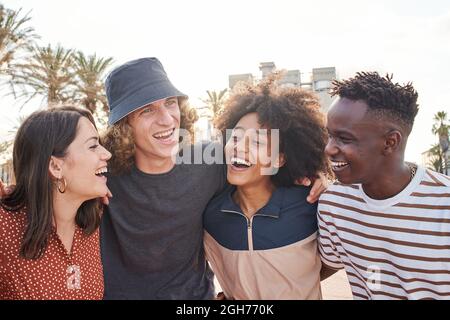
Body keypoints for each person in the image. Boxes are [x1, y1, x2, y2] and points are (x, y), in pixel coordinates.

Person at [99, 57, 325, 299]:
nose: (166, 119)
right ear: (124, 125)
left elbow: (264, 165)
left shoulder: (211, 161)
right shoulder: (101, 173)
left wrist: (312, 174)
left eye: (170, 103)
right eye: (147, 110)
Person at [318, 72, 450, 299]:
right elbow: (310, 271)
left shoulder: (443, 206)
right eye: (329, 136)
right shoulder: (334, 203)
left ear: (390, 142)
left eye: (344, 138)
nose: (329, 148)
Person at [203, 79, 330, 299]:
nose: (239, 146)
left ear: (279, 159)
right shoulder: (211, 217)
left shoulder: (310, 205)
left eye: (257, 142)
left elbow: (332, 262)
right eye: (236, 136)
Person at [0, 106, 111, 300]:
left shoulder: (92, 223)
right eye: (93, 146)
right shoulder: (5, 226)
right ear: (55, 166)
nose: (107, 154)